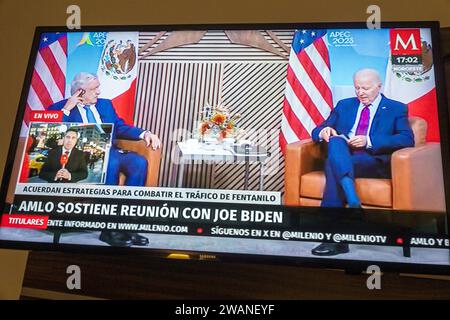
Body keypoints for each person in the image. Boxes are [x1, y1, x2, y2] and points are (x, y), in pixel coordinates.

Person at [48, 72, 161, 247]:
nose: (99, 92)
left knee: (139, 162)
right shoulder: (60, 107)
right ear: (80, 92)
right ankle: (109, 228)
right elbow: (52, 134)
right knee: (111, 163)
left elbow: (121, 127)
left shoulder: (105, 105)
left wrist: (145, 133)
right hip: (81, 157)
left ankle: (126, 225)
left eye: (98, 87)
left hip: (111, 151)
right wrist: (66, 109)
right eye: (94, 89)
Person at [310, 68, 415, 256]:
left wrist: (369, 141)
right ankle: (352, 200)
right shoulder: (344, 105)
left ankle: (334, 237)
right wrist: (323, 131)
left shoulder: (396, 108)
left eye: (365, 88)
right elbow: (319, 129)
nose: (360, 93)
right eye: (357, 88)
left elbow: (407, 139)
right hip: (344, 154)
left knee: (332, 165)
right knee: (335, 141)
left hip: (372, 159)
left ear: (379, 86)